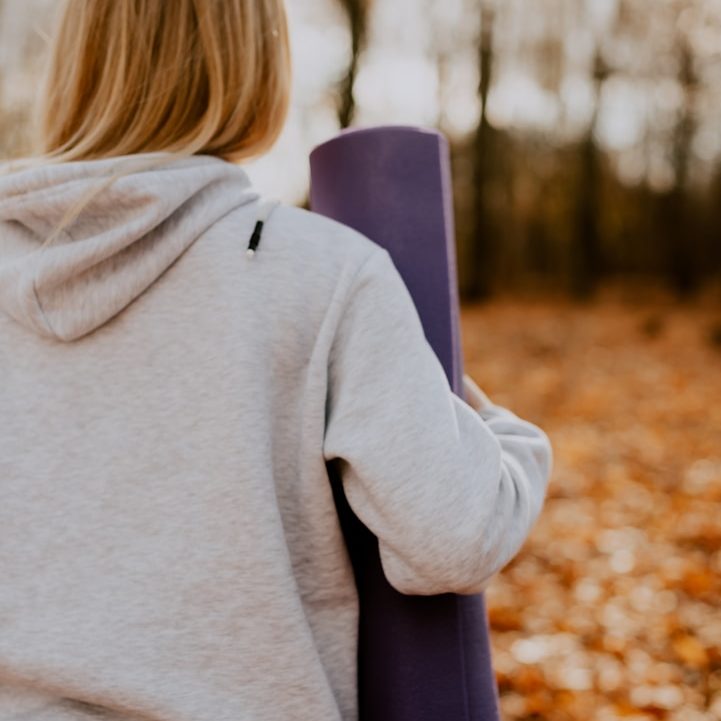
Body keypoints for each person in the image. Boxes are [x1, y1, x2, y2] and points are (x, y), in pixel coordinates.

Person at [0, 1, 553, 720]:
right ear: (257, 65)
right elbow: (454, 536)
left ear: (74, 64)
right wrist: (507, 434)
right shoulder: (321, 272)